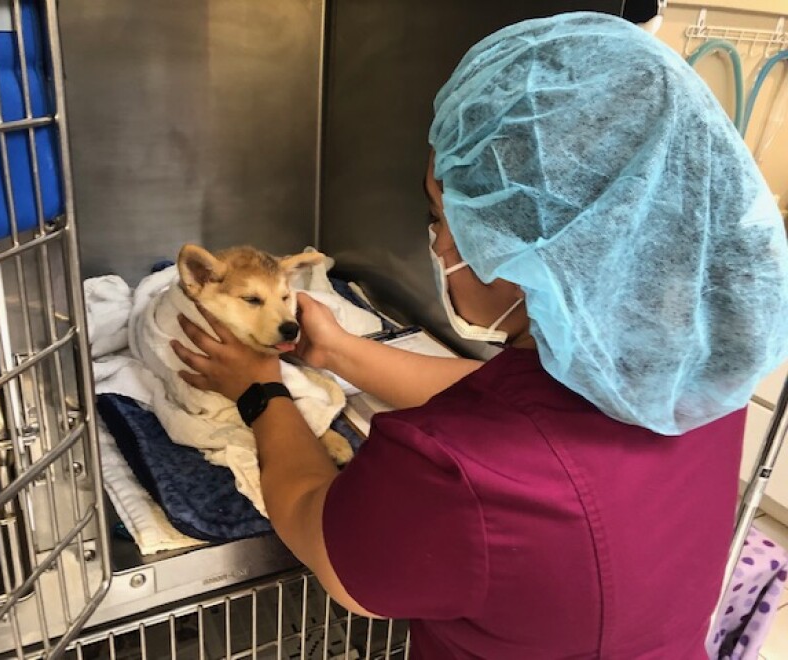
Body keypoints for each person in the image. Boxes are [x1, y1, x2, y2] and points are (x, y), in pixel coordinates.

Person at [171, 12, 788, 659]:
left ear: (539, 246)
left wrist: (260, 389)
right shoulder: (699, 365)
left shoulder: (454, 472)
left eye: (443, 214)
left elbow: (310, 520)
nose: (437, 241)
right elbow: (522, 406)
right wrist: (340, 352)